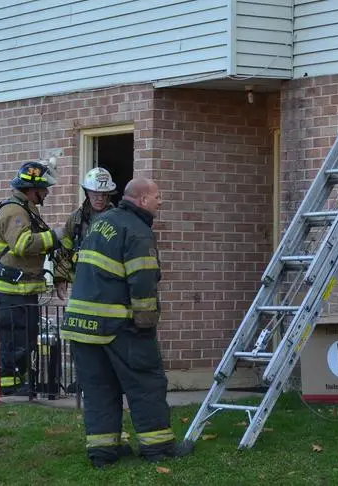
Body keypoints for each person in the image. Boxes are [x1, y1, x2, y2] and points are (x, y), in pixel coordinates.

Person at [61, 177, 194, 468]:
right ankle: (158, 447)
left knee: (99, 388)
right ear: (142, 200)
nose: (161, 201)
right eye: (157, 196)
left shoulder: (103, 221)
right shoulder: (137, 231)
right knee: (146, 382)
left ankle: (103, 452)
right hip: (118, 326)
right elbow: (143, 280)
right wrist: (145, 324)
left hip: (81, 326)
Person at [0, 161, 60, 396]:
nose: (46, 193)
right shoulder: (15, 211)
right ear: (32, 189)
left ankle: (19, 380)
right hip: (13, 291)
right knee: (14, 339)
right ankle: (9, 386)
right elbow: (22, 245)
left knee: (25, 338)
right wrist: (54, 237)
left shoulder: (26, 208)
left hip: (23, 291)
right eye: (44, 189)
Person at [53, 167, 117, 299]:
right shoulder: (76, 219)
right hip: (81, 281)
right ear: (87, 193)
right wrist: (60, 278)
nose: (100, 198)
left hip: (110, 282)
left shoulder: (118, 219)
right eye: (95, 194)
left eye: (104, 194)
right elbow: (65, 249)